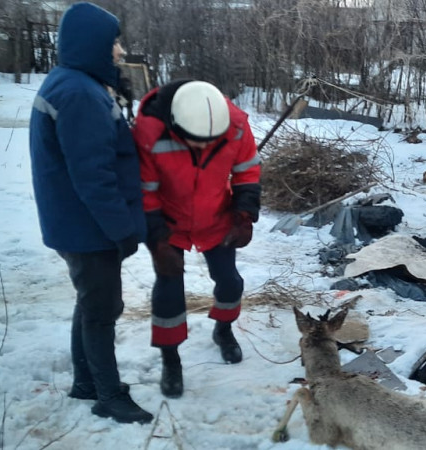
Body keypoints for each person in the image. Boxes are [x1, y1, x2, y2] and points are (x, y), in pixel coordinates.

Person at [29, 2, 153, 424]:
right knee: (102, 311)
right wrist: (122, 229)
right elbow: (93, 175)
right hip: (88, 226)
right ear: (94, 44)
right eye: (114, 42)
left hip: (78, 223)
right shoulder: (79, 93)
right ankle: (108, 395)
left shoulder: (74, 83)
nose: (119, 51)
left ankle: (86, 383)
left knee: (91, 304)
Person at [132, 80, 262, 398]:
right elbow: (144, 191)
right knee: (168, 292)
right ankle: (170, 359)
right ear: (176, 125)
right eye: (195, 142)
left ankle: (224, 329)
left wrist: (244, 214)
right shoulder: (148, 130)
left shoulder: (237, 125)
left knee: (230, 281)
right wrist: (158, 241)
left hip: (216, 218)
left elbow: (247, 171)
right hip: (169, 224)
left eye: (210, 142)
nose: (203, 149)